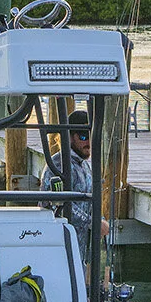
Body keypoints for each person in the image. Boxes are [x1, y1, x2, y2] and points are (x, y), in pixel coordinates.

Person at [41, 109, 93, 258]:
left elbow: (90, 201)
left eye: (91, 135)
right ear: (69, 137)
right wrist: (91, 222)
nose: (88, 142)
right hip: (58, 246)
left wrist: (99, 218)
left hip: (80, 248)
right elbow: (58, 204)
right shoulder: (58, 165)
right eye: (83, 136)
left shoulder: (85, 166)